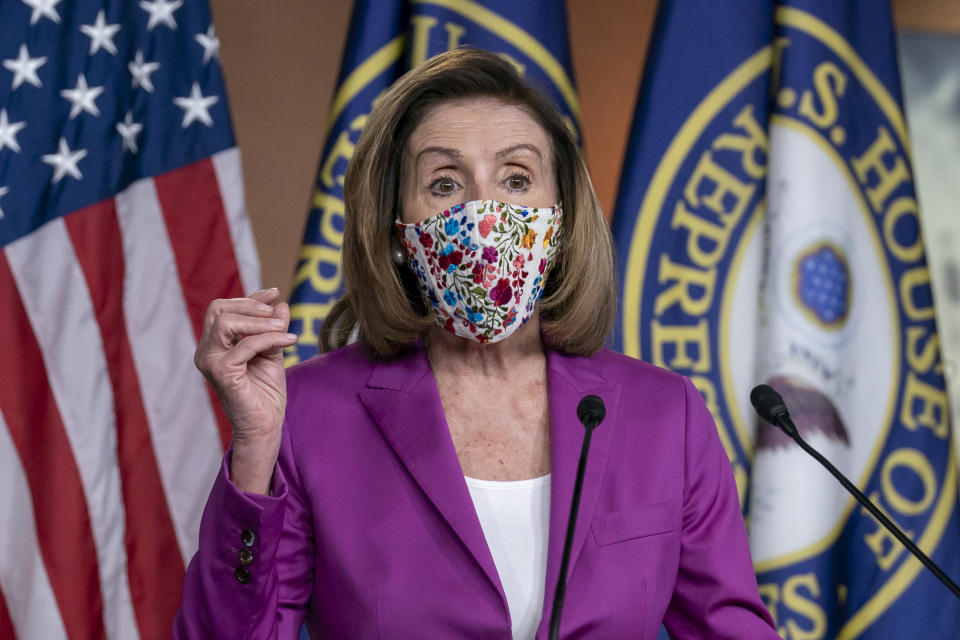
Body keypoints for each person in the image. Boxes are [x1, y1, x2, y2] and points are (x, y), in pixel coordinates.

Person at [174, 49, 780, 639]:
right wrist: (254, 451)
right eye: (444, 183)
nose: (484, 212)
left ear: (562, 221)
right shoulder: (307, 416)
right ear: (397, 231)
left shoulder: (663, 415)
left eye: (517, 178)